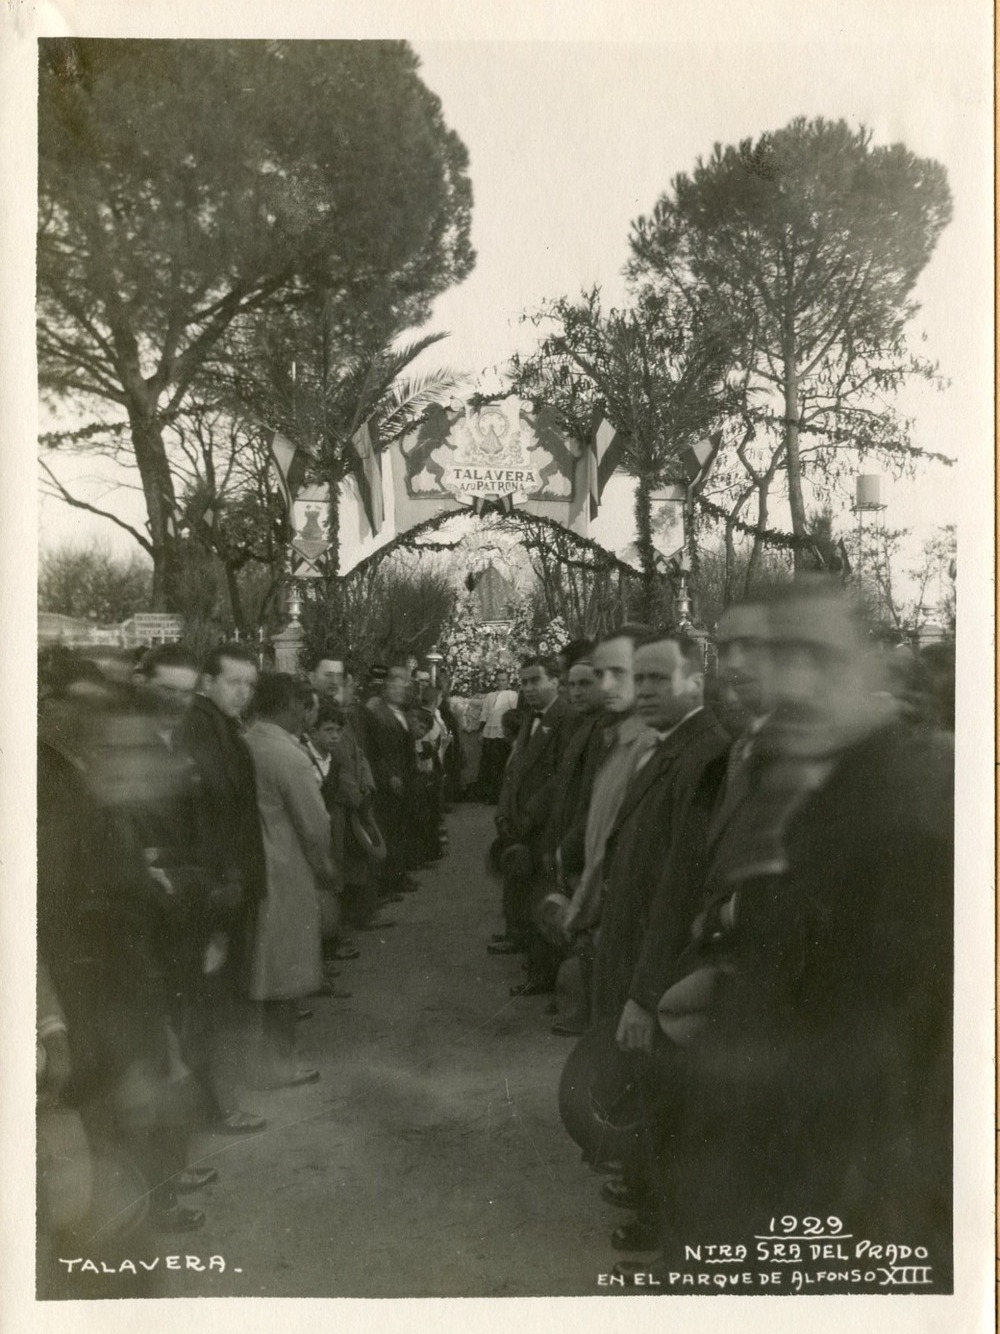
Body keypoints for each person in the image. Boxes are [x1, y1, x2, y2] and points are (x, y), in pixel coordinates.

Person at [649, 581, 953, 1290]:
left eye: (817, 655)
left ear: (872, 662)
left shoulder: (920, 797)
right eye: (774, 654)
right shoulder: (794, 773)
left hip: (852, 1192)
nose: (794, 681)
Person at [585, 634, 726, 1250]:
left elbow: (677, 887)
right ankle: (647, 1193)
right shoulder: (670, 748)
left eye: (656, 681)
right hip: (638, 952)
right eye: (637, 681)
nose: (642, 693)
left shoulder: (704, 757)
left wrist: (645, 993)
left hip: (661, 968)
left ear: (694, 682)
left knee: (665, 1096)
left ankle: (663, 1227)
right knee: (647, 1088)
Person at [176, 642, 267, 1134]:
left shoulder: (220, 729)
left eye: (250, 684)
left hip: (228, 889)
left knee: (216, 1000)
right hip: (219, 894)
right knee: (214, 1002)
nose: (244, 692)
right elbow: (211, 817)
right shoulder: (204, 730)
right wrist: (227, 887)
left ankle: (212, 1101)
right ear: (207, 682)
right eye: (234, 682)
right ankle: (217, 1106)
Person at [244, 673, 339, 1089]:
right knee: (286, 970)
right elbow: (314, 825)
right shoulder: (287, 754)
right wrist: (326, 869)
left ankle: (259, 1060)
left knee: (262, 969)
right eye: (303, 708)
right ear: (287, 707)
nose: (306, 717)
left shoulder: (246, 742)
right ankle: (281, 1065)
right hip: (285, 869)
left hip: (252, 869)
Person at [491, 655, 576, 994]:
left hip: (545, 826)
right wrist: (505, 811)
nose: (526, 688)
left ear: (555, 681)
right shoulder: (530, 718)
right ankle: (536, 967)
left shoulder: (566, 718)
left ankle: (544, 974)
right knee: (527, 895)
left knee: (544, 897)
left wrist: (530, 814)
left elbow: (560, 778)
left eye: (534, 681)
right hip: (521, 823)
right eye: (523, 682)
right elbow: (516, 771)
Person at [366, 664, 420, 895]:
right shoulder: (380, 714)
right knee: (390, 829)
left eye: (405, 687)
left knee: (401, 828)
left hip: (404, 776)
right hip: (391, 780)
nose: (402, 691)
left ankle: (399, 875)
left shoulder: (402, 713)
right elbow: (377, 751)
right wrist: (390, 775)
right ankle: (391, 880)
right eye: (397, 687)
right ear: (386, 688)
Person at [478, 669, 519, 802]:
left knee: (501, 764)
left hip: (503, 734)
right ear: (495, 681)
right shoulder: (490, 695)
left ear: (508, 681)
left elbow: (514, 714)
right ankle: (489, 794)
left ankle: (501, 796)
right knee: (489, 764)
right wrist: (481, 731)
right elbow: (484, 714)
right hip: (489, 732)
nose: (501, 683)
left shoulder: (512, 695)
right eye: (499, 680)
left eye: (504, 680)